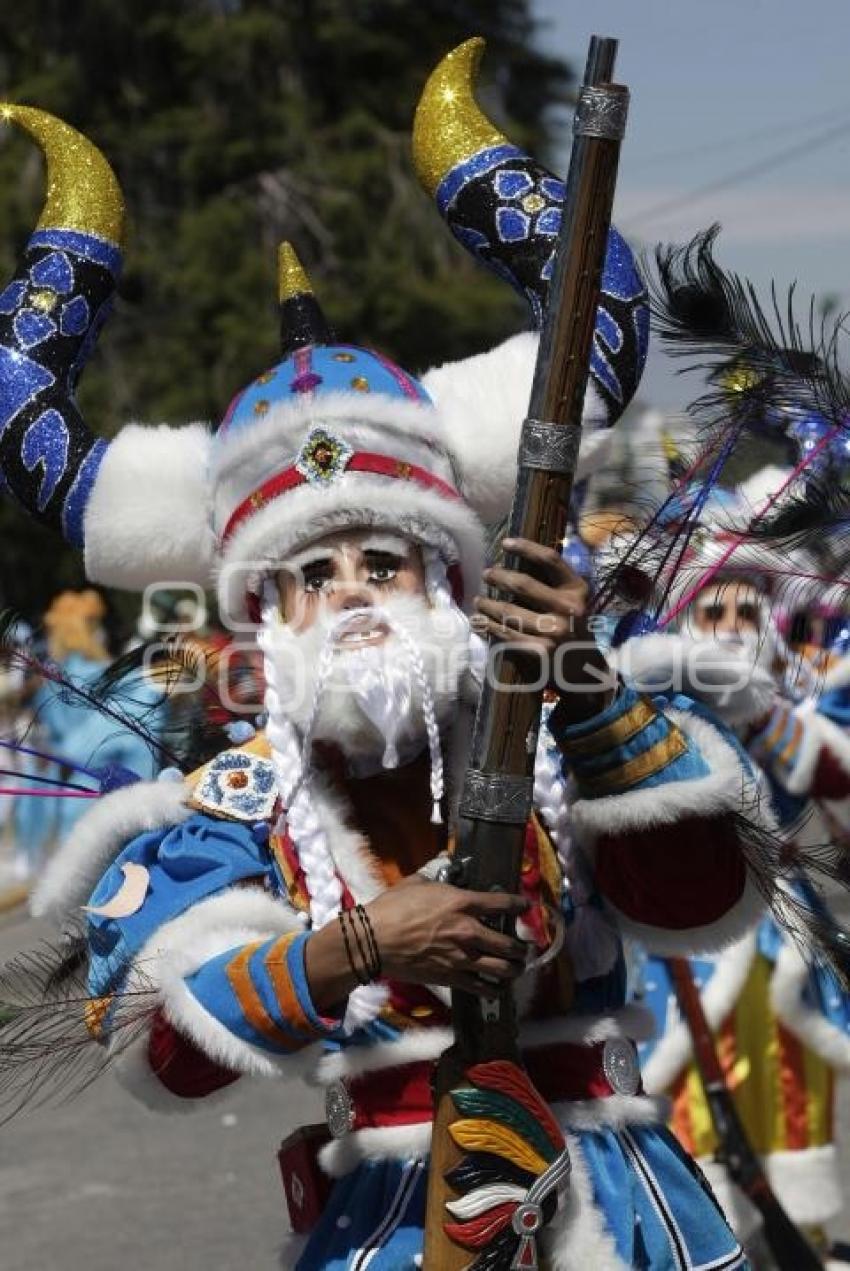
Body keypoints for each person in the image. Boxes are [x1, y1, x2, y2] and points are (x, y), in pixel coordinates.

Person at [0, 47, 796, 1269]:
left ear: (453, 576)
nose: (355, 596)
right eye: (314, 576)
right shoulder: (242, 794)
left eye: (385, 562)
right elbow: (164, 1048)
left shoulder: (550, 713)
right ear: (265, 611)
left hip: (624, 1203)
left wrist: (576, 683)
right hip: (388, 1225)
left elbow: (692, 893)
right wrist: (358, 947)